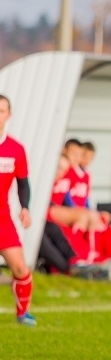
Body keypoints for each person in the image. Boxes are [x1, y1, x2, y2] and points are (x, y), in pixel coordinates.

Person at [0, 95, 36, 326]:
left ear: (9, 115)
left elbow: (23, 183)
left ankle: (22, 313)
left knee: (21, 268)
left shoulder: (16, 149)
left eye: (1, 111)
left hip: (2, 219)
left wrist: (25, 208)